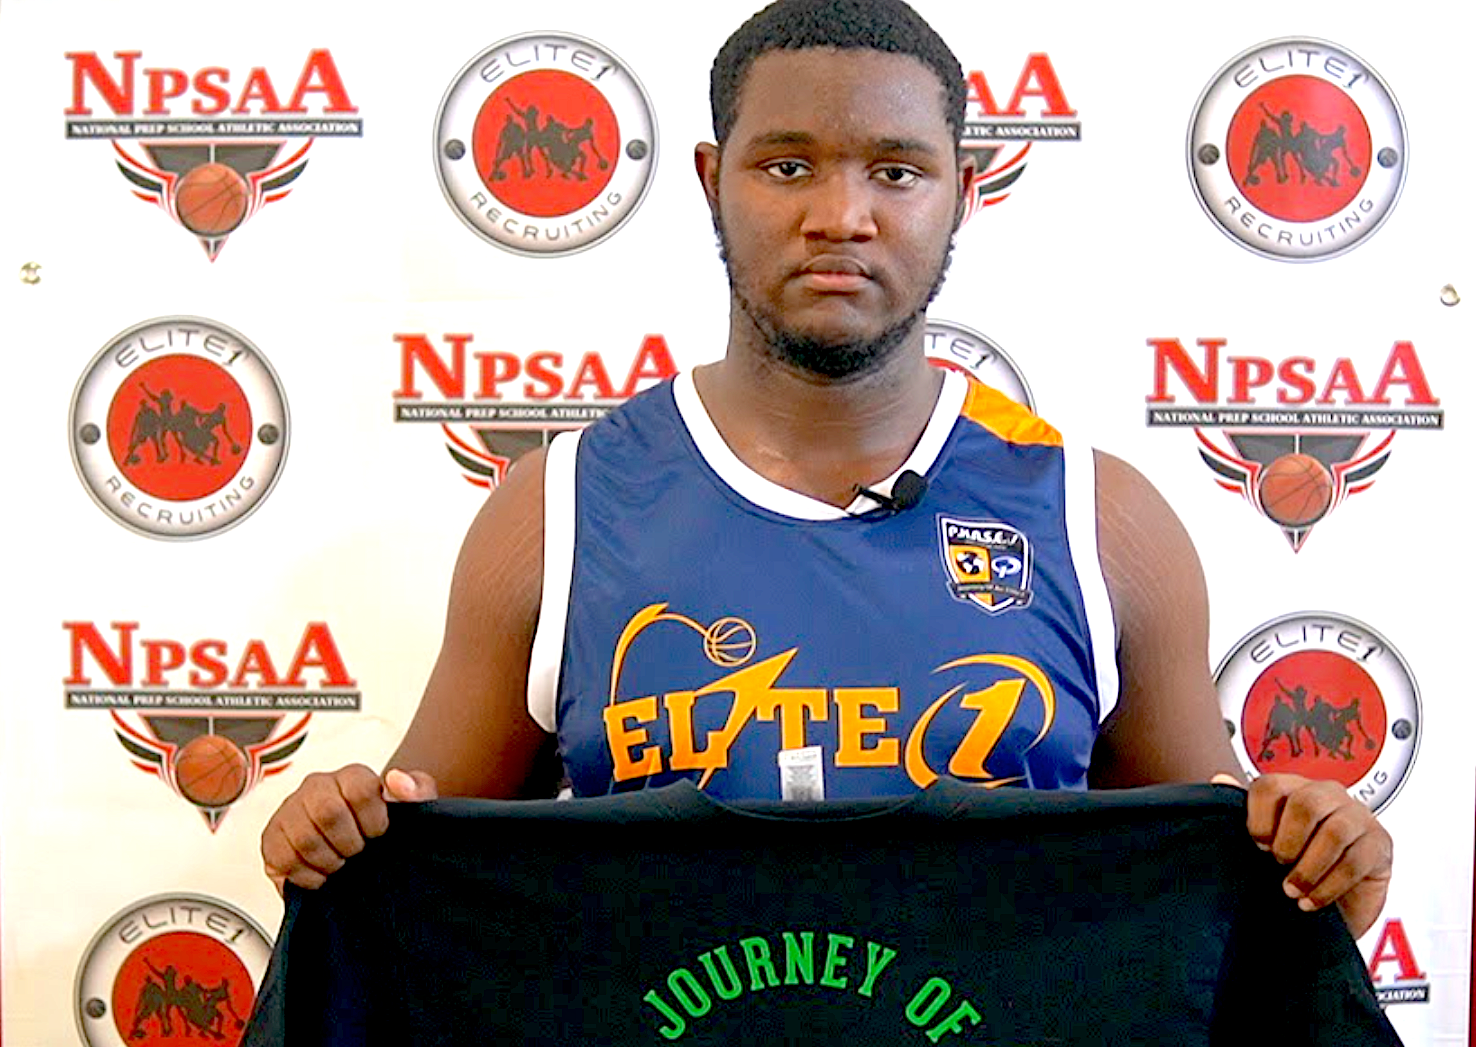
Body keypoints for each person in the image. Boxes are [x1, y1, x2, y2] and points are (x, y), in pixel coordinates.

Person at [261, 0, 1391, 939]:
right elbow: (417, 885)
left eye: (896, 171)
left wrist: (1318, 864)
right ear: (712, 180)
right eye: (788, 165)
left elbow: (1210, 898)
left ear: (963, 190)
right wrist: (334, 834)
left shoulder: (1095, 519)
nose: (840, 216)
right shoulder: (555, 512)